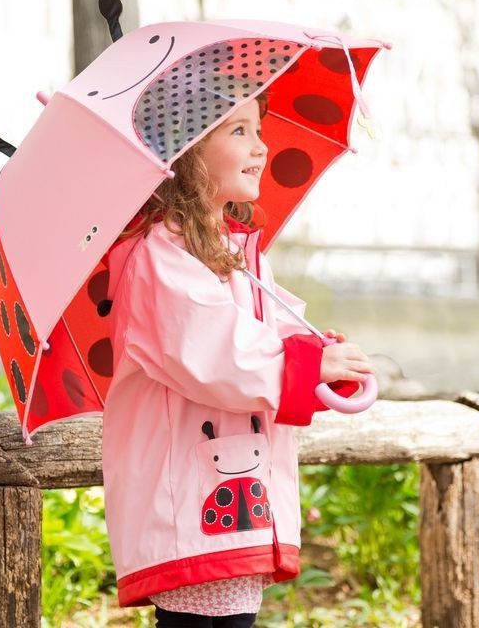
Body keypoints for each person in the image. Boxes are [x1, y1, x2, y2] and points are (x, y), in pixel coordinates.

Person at [102, 90, 375, 628]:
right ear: (188, 151)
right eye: (239, 131)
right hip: (186, 492)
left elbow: (269, 326)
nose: (261, 147)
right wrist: (306, 367)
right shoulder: (161, 257)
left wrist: (321, 353)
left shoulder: (237, 251)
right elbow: (214, 350)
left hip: (238, 490)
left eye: (259, 130)